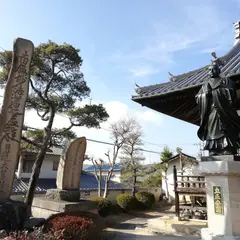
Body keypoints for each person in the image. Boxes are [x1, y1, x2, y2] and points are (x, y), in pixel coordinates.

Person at [196, 60, 240, 156]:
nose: (211, 72)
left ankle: (227, 147)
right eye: (210, 70)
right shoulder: (205, 84)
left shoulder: (226, 81)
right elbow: (198, 97)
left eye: (213, 69)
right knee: (212, 131)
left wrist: (215, 93)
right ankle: (214, 149)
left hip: (224, 110)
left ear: (218, 70)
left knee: (225, 129)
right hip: (211, 111)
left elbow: (231, 92)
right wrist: (205, 95)